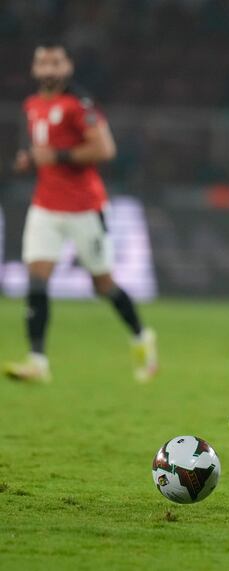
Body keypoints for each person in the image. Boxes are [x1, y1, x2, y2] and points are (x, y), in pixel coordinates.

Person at [4, 41, 157, 384]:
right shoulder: (32, 105)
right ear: (34, 69)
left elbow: (104, 148)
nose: (48, 69)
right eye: (42, 62)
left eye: (55, 62)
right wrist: (30, 160)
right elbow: (44, 151)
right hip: (45, 206)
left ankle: (141, 337)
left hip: (85, 208)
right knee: (37, 278)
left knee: (102, 284)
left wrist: (55, 157)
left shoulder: (80, 104)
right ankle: (37, 361)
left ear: (67, 67)